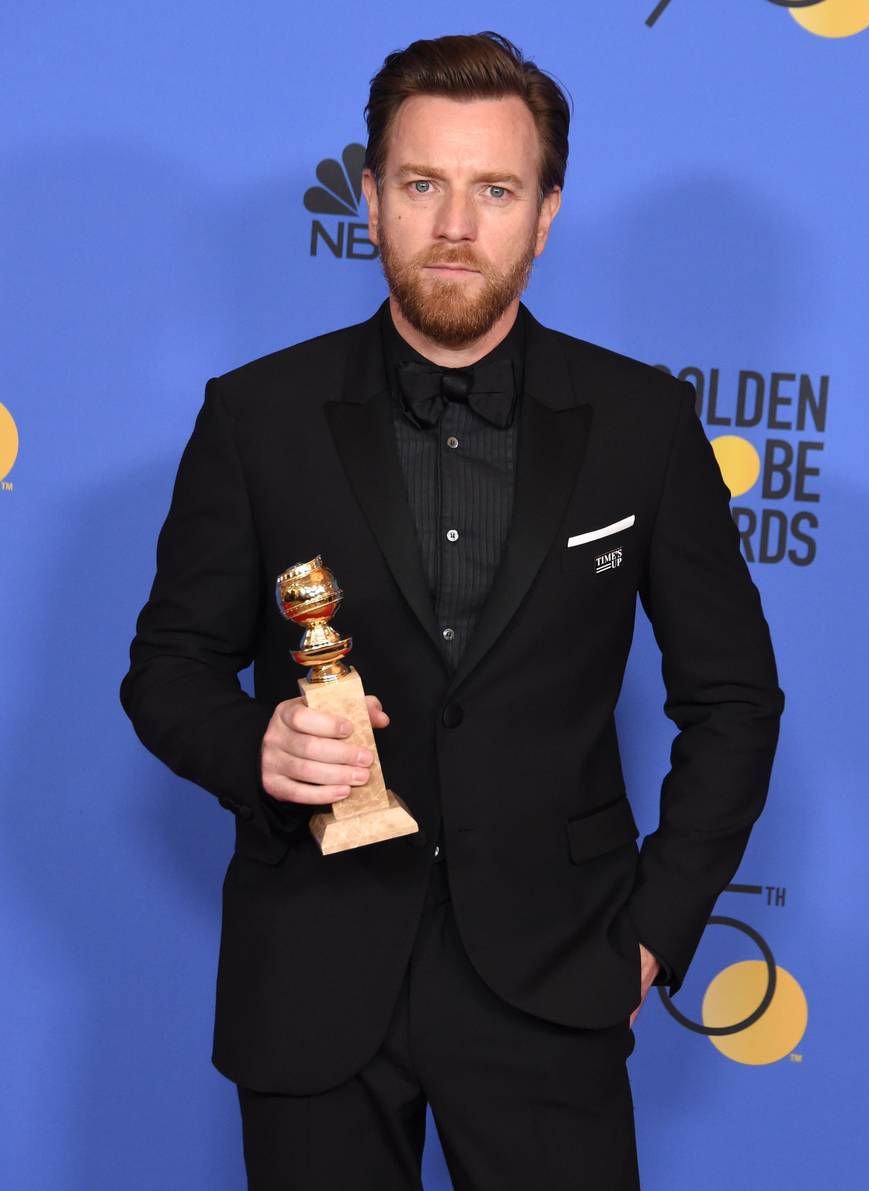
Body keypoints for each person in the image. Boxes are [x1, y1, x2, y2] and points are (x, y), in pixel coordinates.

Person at [121, 31, 783, 1191]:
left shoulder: (642, 424)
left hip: (557, 975)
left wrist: (649, 936)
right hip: (313, 974)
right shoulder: (255, 416)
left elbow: (731, 700)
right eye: (422, 184)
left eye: (496, 189)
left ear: (546, 212)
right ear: (369, 197)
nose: (455, 226)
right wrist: (256, 745)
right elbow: (168, 667)